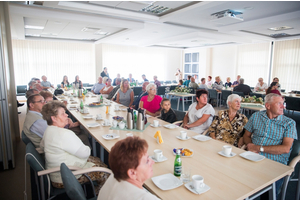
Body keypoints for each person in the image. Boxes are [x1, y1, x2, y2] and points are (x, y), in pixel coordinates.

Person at [40, 101, 108, 192]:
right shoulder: (64, 134)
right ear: (54, 118)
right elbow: (85, 153)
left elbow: (42, 146)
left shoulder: (48, 130)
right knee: (106, 172)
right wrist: (86, 146)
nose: (67, 115)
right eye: (63, 114)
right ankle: (100, 193)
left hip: (55, 173)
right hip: (66, 178)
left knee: (97, 160)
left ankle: (96, 187)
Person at [243, 93, 297, 197]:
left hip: (275, 164)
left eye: (283, 103)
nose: (283, 106)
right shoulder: (256, 116)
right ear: (268, 105)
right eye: (279, 104)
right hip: (252, 157)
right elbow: (246, 135)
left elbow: (286, 148)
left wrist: (258, 148)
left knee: (268, 194)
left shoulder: (289, 123)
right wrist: (250, 145)